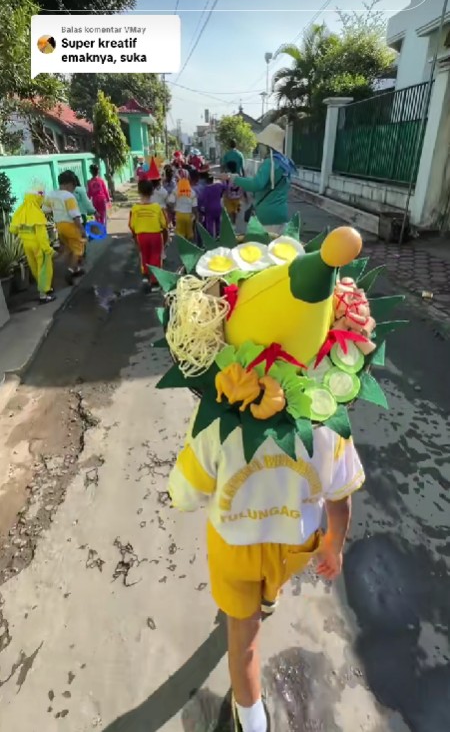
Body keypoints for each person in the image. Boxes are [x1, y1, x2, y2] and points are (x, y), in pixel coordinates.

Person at [155, 218, 405, 732]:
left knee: (242, 645)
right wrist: (334, 544)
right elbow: (341, 498)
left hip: (236, 548)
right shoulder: (328, 427)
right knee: (268, 592)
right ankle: (267, 600)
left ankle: (254, 722)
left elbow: (184, 493)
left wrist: (184, 485)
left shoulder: (215, 431)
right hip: (295, 544)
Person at [226, 124, 296, 231]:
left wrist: (234, 178)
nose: (259, 148)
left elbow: (256, 184)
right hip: (281, 214)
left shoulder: (270, 163)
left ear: (268, 146)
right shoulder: (285, 162)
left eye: (261, 145)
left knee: (263, 247)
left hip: (267, 217)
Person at [9, 189, 55, 304]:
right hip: (38, 246)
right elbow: (41, 236)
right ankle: (43, 295)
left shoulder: (20, 211)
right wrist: (48, 250)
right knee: (44, 269)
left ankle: (46, 288)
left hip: (26, 245)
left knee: (35, 268)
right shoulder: (36, 213)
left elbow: (12, 229)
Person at [43, 171, 86, 285]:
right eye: (73, 187)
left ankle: (76, 269)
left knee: (68, 248)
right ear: (69, 184)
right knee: (78, 249)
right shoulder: (69, 196)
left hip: (59, 226)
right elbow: (75, 215)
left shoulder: (51, 194)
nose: (73, 190)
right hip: (71, 226)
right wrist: (82, 230)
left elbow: (46, 210)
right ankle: (70, 271)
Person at [129, 180, 168, 289]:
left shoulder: (135, 209)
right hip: (155, 236)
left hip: (141, 236)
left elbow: (131, 225)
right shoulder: (157, 207)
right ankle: (155, 282)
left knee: (144, 256)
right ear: (152, 192)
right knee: (156, 257)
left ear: (138, 192)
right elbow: (164, 223)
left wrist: (134, 237)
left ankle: (146, 276)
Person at [169, 169, 198, 241]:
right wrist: (196, 216)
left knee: (180, 236)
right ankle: (189, 248)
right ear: (188, 178)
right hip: (189, 215)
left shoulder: (176, 189)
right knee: (190, 235)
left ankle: (182, 249)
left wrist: (173, 210)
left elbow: (171, 202)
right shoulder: (192, 191)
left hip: (179, 215)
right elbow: (194, 207)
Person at [198, 172, 227, 238]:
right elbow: (225, 187)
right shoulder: (218, 186)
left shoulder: (206, 189)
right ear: (213, 180)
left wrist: (200, 208)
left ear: (206, 181)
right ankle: (218, 235)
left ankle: (211, 237)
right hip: (218, 207)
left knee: (210, 223)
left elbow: (202, 199)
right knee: (218, 221)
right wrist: (224, 180)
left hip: (209, 209)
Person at [222, 160, 245, 225]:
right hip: (237, 197)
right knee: (234, 211)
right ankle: (234, 222)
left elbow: (224, 186)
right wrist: (243, 195)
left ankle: (231, 224)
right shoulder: (239, 176)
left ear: (228, 168)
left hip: (228, 197)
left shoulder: (226, 176)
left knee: (229, 212)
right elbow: (242, 186)